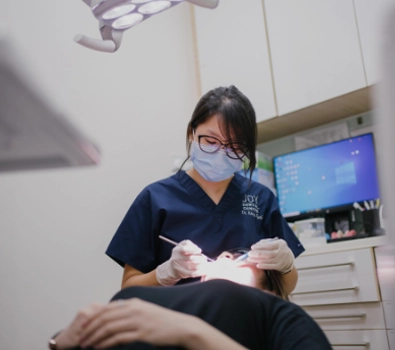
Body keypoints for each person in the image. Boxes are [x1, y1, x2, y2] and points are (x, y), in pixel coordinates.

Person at [106, 85, 304, 294]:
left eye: (235, 148)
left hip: (248, 322)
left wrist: (286, 266)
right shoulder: (155, 199)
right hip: (179, 324)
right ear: (192, 132)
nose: (221, 153)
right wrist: (165, 274)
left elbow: (286, 287)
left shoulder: (260, 199)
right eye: (210, 141)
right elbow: (128, 289)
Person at [49, 250, 332, 350]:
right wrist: (60, 342)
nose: (224, 255)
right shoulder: (163, 298)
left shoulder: (277, 314)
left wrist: (192, 333)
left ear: (269, 291)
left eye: (238, 255)